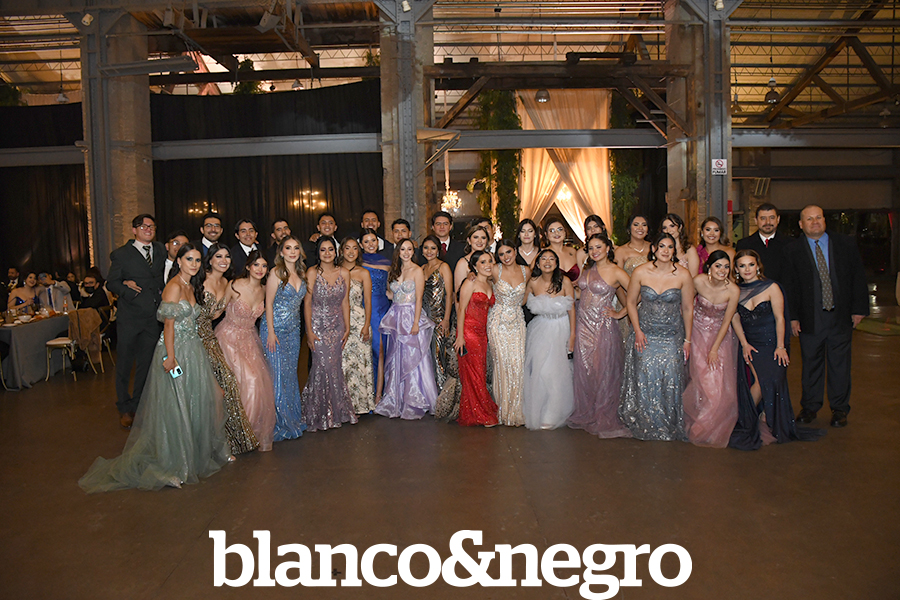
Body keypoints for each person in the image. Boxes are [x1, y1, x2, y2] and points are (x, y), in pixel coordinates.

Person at [78, 243, 232, 492]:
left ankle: (190, 457)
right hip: (175, 351)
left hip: (193, 350)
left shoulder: (190, 285)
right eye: (189, 259)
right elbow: (168, 326)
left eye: (196, 260)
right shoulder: (174, 286)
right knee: (175, 406)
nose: (194, 264)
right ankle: (171, 466)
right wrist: (170, 358)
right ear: (178, 261)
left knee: (194, 401)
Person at [784, 205, 869, 428]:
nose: (815, 222)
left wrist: (859, 309)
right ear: (801, 224)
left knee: (840, 365)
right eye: (809, 219)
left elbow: (858, 277)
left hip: (840, 316)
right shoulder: (792, 250)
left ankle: (840, 409)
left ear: (824, 220)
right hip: (810, 317)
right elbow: (790, 286)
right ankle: (810, 407)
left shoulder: (845, 244)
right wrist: (792, 317)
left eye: (818, 217)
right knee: (811, 364)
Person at [730, 250, 824, 448]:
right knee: (759, 382)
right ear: (736, 269)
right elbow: (734, 318)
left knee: (769, 381)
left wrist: (781, 346)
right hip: (751, 344)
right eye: (742, 266)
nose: (747, 269)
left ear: (758, 265)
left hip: (772, 343)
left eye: (751, 264)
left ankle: (748, 420)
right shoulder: (735, 291)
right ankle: (747, 421)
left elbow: (781, 318)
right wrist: (744, 343)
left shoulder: (771, 287)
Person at [618, 233, 695, 441]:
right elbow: (631, 302)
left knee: (670, 377)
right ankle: (647, 421)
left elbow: (688, 308)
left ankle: (668, 422)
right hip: (645, 334)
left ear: (674, 250)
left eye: (670, 247)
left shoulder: (683, 275)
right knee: (645, 377)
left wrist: (688, 340)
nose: (665, 251)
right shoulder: (641, 272)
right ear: (654, 249)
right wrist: (637, 330)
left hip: (671, 335)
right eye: (661, 246)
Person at [567, 234, 632, 438]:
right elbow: (581, 294)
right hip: (583, 326)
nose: (594, 251)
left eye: (598, 247)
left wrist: (621, 313)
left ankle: (602, 413)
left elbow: (636, 293)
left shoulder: (616, 271)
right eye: (591, 248)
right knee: (585, 371)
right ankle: (588, 411)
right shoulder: (588, 270)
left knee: (603, 370)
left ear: (607, 248)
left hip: (603, 327)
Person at [197, 243, 259, 455]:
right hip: (193, 336)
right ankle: (206, 442)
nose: (223, 261)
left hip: (208, 336)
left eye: (227, 257)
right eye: (219, 256)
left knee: (227, 385)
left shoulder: (226, 283)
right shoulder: (200, 279)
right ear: (210, 259)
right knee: (208, 389)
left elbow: (216, 314)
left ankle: (233, 440)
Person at [107, 214, 166, 430]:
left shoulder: (160, 249)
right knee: (124, 364)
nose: (148, 229)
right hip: (130, 318)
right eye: (143, 226)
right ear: (134, 230)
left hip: (153, 318)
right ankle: (124, 407)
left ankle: (138, 404)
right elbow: (111, 283)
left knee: (146, 364)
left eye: (151, 226)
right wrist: (127, 289)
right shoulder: (121, 254)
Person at [216, 250, 276, 451]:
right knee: (244, 382)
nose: (260, 269)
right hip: (228, 338)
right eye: (256, 265)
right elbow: (217, 310)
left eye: (264, 266)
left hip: (250, 340)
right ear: (248, 267)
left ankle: (246, 432)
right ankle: (234, 433)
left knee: (256, 383)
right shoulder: (234, 285)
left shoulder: (265, 290)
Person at [682, 250, 740, 448]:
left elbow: (727, 320)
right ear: (709, 267)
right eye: (718, 266)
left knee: (718, 384)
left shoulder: (733, 290)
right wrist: (687, 337)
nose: (722, 270)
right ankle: (699, 423)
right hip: (697, 333)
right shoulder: (698, 281)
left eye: (726, 267)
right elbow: (687, 307)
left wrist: (715, 348)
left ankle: (707, 427)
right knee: (701, 380)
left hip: (720, 337)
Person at [376, 240, 438, 419]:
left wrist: (416, 322)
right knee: (396, 356)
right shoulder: (395, 270)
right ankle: (396, 399)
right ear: (398, 251)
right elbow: (391, 294)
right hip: (396, 316)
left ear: (413, 252)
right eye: (403, 249)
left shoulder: (417, 270)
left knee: (413, 356)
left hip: (411, 315)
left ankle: (415, 399)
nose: (406, 252)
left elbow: (419, 298)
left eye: (409, 249)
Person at [300, 237, 356, 431]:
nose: (327, 253)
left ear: (336, 251)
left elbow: (345, 302)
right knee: (321, 367)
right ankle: (319, 412)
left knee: (334, 368)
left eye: (330, 249)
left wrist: (347, 327)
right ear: (318, 252)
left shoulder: (344, 273)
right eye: (323, 250)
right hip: (318, 326)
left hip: (337, 326)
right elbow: (307, 302)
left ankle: (336, 411)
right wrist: (309, 331)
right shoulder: (312, 272)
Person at [522, 249, 576, 430]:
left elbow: (572, 310)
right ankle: (540, 409)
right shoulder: (532, 282)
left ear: (556, 263)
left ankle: (554, 413)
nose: (547, 262)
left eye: (551, 259)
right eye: (543, 258)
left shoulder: (565, 281)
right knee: (540, 371)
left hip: (561, 328)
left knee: (557, 372)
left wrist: (572, 335)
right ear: (537, 263)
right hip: (540, 329)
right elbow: (519, 300)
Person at [261, 235, 309, 440]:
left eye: (296, 248)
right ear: (281, 252)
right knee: (277, 376)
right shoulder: (276, 273)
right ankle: (280, 422)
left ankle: (292, 417)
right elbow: (268, 304)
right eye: (288, 248)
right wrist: (271, 332)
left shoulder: (302, 273)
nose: (292, 252)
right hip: (275, 331)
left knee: (290, 375)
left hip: (294, 331)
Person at [454, 250, 498, 427]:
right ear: (475, 266)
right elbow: (461, 309)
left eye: (490, 261)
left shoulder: (490, 283)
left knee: (479, 372)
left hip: (482, 334)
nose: (488, 265)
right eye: (483, 262)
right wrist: (460, 337)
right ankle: (481, 414)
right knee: (475, 374)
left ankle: (477, 410)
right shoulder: (470, 282)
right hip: (469, 333)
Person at [487, 240, 528, 426]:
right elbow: (479, 278)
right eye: (501, 254)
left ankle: (516, 411)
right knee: (502, 364)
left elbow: (528, 294)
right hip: (498, 321)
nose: (506, 257)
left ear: (515, 251)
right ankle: (502, 411)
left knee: (518, 363)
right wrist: (471, 275)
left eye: (508, 252)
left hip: (518, 321)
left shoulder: (527, 271)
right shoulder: (495, 270)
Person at [421, 235, 459, 417]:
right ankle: (430, 397)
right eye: (426, 248)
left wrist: (446, 319)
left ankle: (443, 400)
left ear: (438, 250)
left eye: (433, 248)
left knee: (439, 357)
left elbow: (450, 295)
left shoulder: (444, 267)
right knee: (426, 359)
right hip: (424, 319)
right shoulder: (421, 268)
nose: (429, 251)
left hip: (439, 319)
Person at [339, 236, 375, 414]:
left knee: (360, 363)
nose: (351, 252)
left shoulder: (363, 273)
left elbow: (367, 301)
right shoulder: (336, 271)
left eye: (355, 248)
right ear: (341, 251)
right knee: (342, 364)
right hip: (339, 322)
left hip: (359, 321)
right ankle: (343, 406)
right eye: (347, 248)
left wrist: (366, 325)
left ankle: (359, 406)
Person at [361, 228, 391, 403]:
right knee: (366, 349)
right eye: (366, 241)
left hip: (382, 308)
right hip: (363, 308)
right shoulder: (357, 262)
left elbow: (389, 287)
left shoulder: (386, 261)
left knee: (381, 349)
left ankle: (380, 392)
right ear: (361, 244)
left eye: (373, 240)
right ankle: (366, 393)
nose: (370, 244)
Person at [736, 203, 789, 283]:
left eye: (772, 218)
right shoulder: (744, 245)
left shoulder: (790, 244)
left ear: (778, 219)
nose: (768, 222)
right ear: (756, 220)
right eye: (763, 218)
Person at [453, 224, 490, 293]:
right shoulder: (463, 263)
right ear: (469, 240)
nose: (479, 241)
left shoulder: (491, 258)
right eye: (476, 237)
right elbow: (458, 293)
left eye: (483, 238)